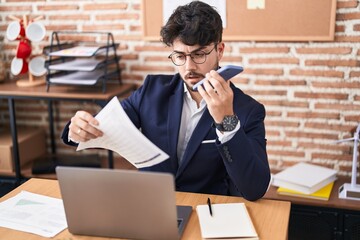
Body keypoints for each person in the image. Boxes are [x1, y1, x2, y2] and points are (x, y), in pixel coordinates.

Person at [61, 1, 270, 201]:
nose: (189, 67)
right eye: (179, 56)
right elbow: (105, 127)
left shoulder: (248, 110)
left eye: (199, 55)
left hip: (207, 211)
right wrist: (79, 129)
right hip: (151, 204)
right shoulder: (152, 91)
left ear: (220, 51)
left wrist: (226, 122)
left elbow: (254, 188)